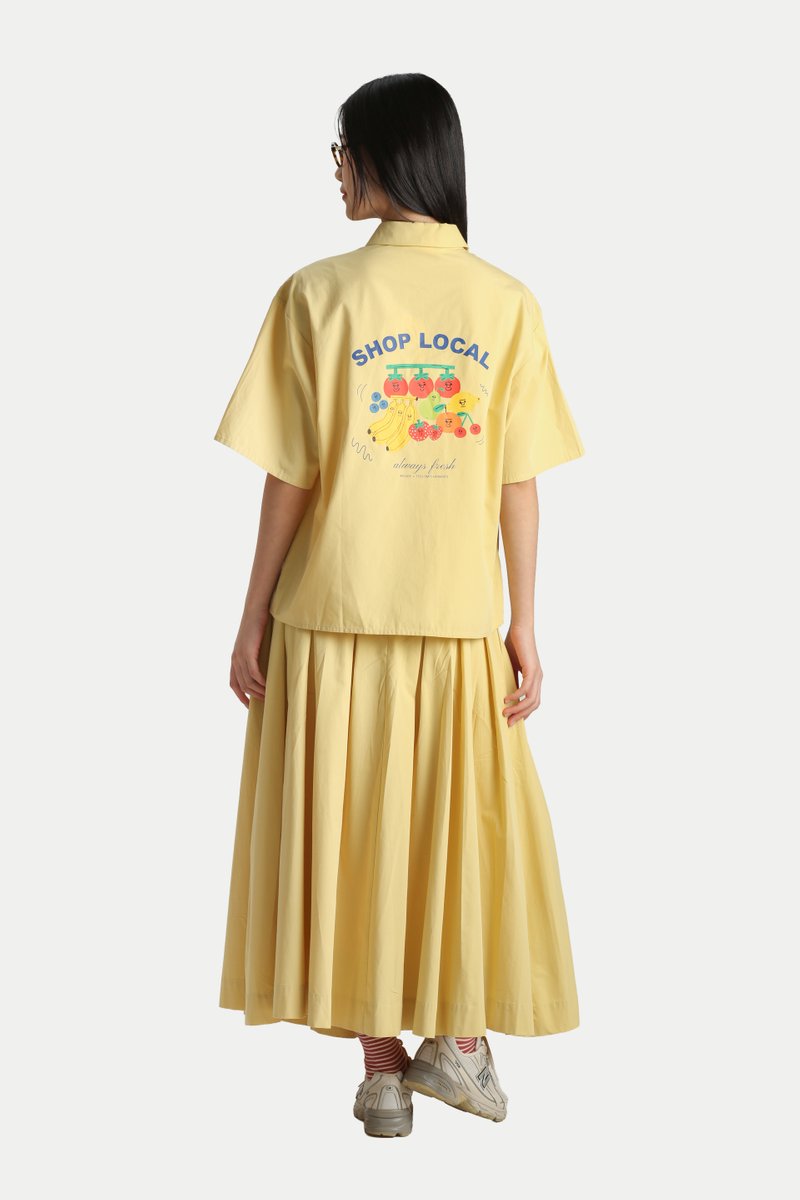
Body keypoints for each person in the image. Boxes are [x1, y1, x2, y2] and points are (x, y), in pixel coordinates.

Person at [213, 73, 585, 1139]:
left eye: (342, 151)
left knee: (351, 837)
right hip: (455, 616)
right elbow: (518, 482)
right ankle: (454, 1048)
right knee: (454, 836)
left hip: (329, 614)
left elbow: (289, 476)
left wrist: (251, 615)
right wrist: (522, 621)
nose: (335, 171)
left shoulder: (315, 294)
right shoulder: (505, 302)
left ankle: (385, 1073)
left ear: (384, 156)